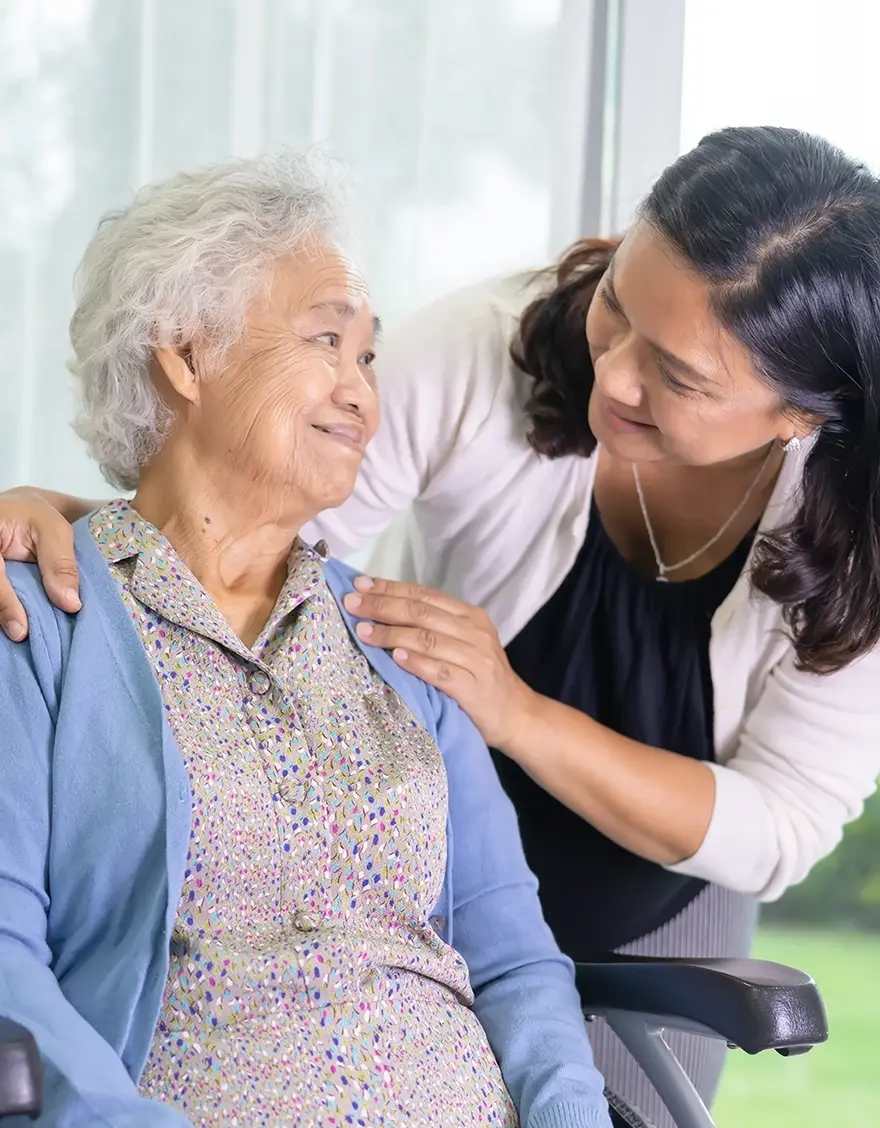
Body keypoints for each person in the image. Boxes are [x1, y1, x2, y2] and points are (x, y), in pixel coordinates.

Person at [3, 126, 880, 1127]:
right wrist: (68, 525)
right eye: (616, 309)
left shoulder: (407, 671)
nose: (614, 377)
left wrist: (512, 710)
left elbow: (751, 836)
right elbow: (232, 525)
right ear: (189, 352)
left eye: (677, 377)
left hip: (652, 876)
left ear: (796, 415)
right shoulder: (48, 632)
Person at [0, 152, 613, 1128]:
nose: (365, 396)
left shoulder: (399, 644)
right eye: (328, 340)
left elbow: (513, 961)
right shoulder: (38, 624)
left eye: (367, 358)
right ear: (186, 356)